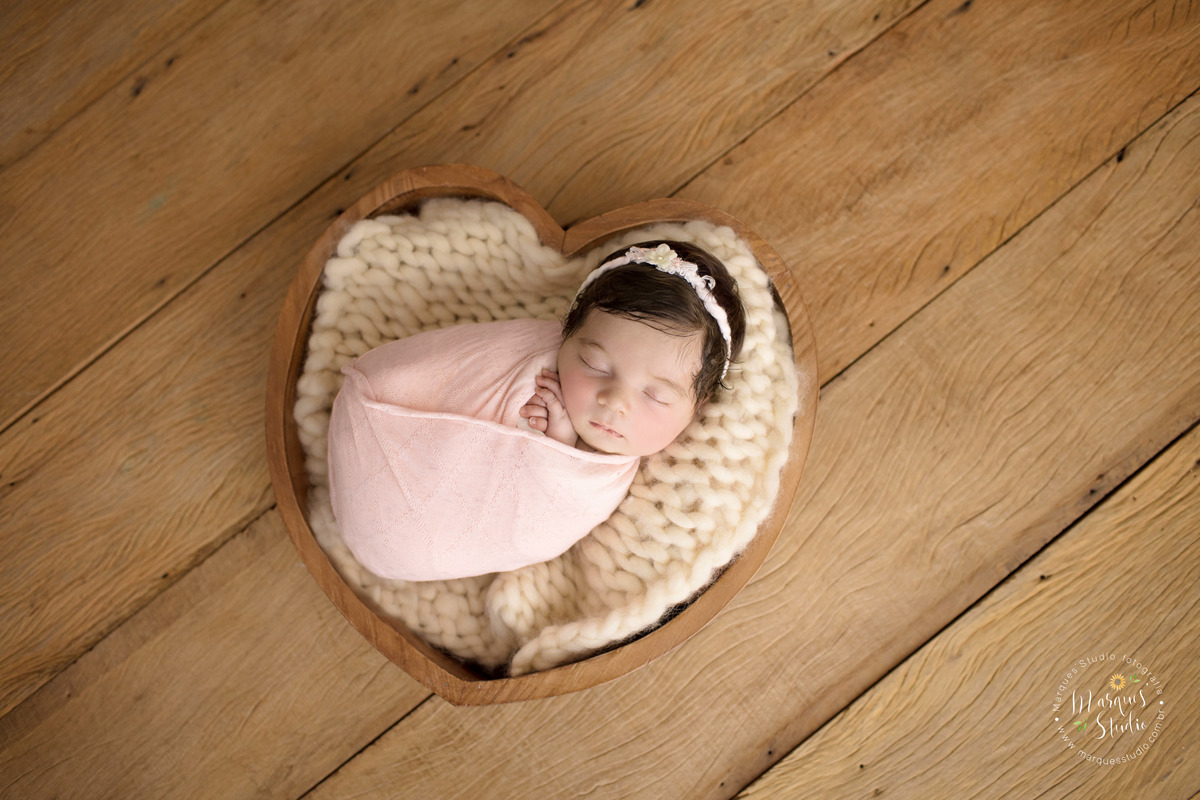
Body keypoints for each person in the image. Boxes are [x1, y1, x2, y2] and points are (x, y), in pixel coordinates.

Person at [326, 240, 745, 581]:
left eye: (655, 395)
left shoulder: (615, 463)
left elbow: (550, 515)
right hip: (381, 428)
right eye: (595, 365)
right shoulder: (540, 366)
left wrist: (561, 445)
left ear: (698, 406)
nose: (615, 401)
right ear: (567, 332)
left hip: (412, 538)